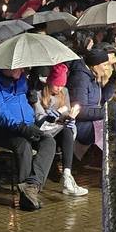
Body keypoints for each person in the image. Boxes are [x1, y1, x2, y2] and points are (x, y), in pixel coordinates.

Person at [0, 67, 57, 210]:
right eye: (18, 68)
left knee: (48, 141)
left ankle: (32, 186)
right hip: (1, 129)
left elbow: (25, 103)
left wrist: (32, 89)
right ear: (6, 67)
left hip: (26, 125)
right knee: (23, 144)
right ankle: (25, 198)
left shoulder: (21, 78)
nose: (21, 70)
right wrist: (21, 128)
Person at [35, 63, 88, 196]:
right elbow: (38, 117)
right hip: (44, 128)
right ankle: (65, 177)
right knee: (65, 131)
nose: (59, 88)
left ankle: (67, 174)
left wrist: (70, 118)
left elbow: (67, 110)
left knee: (67, 130)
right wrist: (51, 117)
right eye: (57, 84)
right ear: (50, 82)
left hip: (59, 127)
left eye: (62, 85)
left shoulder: (64, 92)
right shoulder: (38, 93)